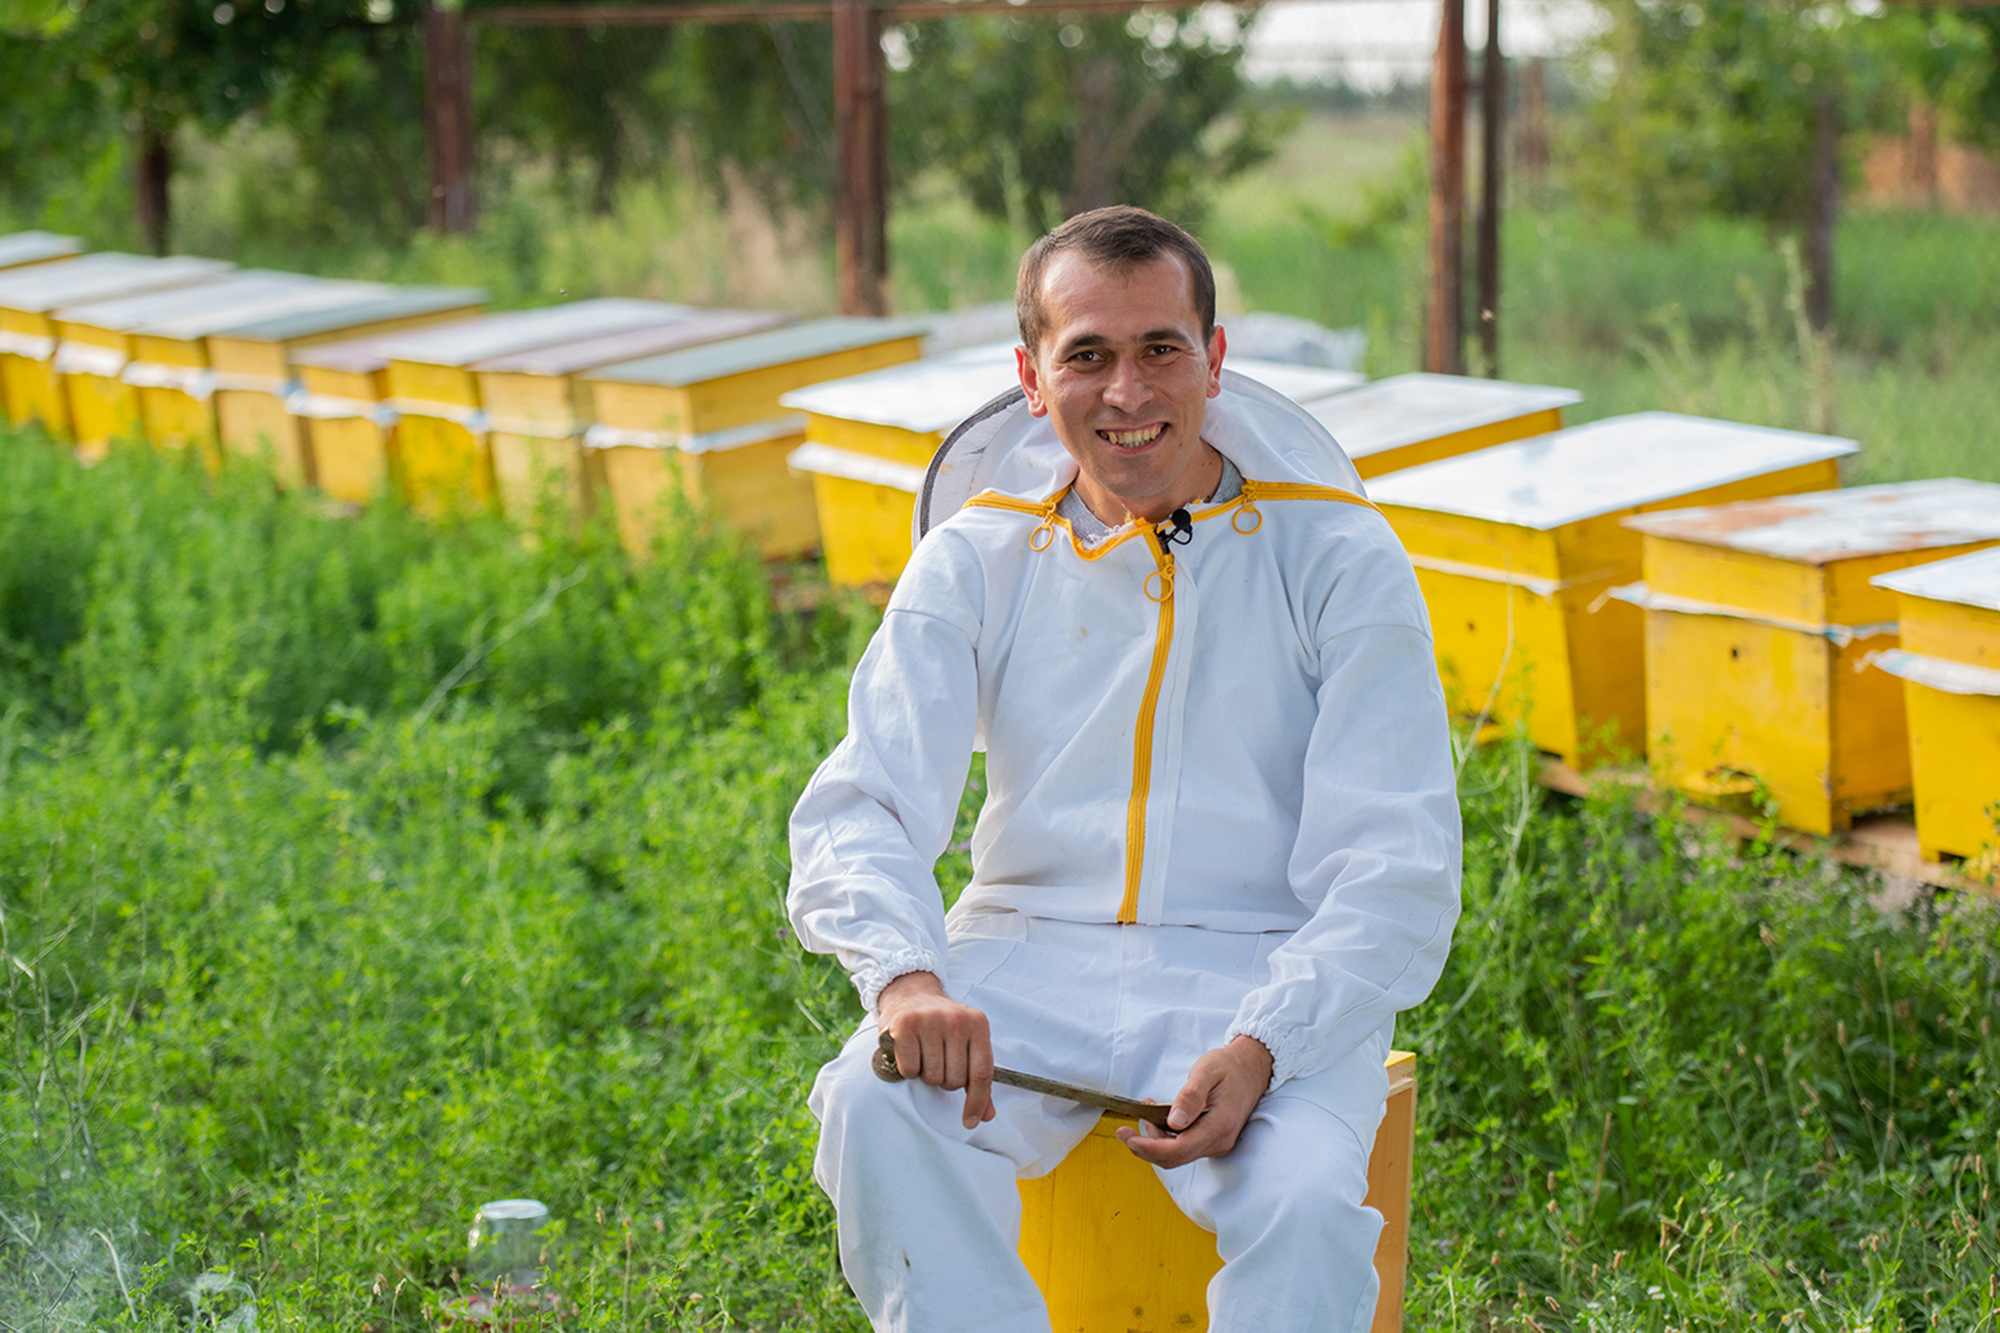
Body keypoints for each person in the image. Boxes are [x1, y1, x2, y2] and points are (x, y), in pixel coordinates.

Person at [786, 205, 1461, 1333]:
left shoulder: (1338, 556)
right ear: (1029, 373)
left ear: (1214, 358)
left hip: (1260, 971)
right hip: (1021, 960)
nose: (1127, 391)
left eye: (1160, 348)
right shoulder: (977, 554)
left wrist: (1268, 1043)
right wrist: (908, 977)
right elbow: (860, 803)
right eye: (1086, 354)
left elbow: (1394, 867)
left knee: (1300, 1205)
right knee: (871, 1100)